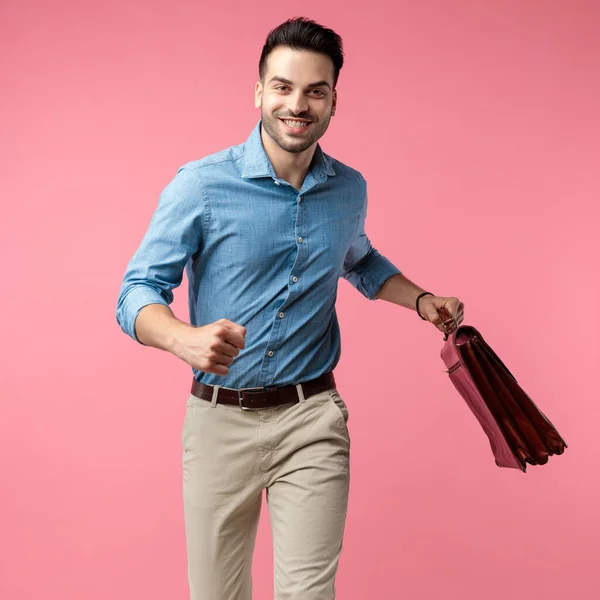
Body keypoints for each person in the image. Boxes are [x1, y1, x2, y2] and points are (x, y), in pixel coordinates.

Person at [116, 16, 464, 600]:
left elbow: (359, 260)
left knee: (309, 593)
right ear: (258, 91)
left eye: (314, 91)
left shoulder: (349, 188)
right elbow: (135, 292)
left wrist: (422, 299)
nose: (296, 104)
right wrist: (183, 338)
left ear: (333, 101)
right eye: (282, 86)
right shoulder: (200, 185)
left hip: (313, 418)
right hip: (219, 421)